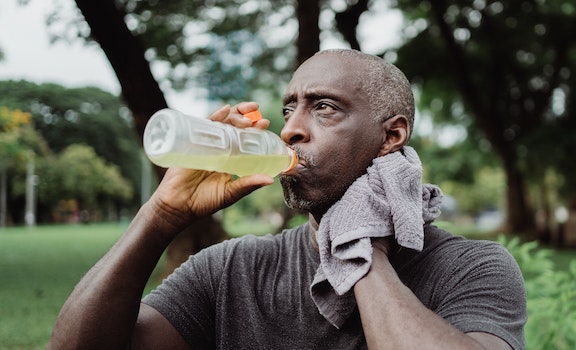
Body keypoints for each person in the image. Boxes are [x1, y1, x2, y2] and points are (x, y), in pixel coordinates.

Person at [48, 49, 527, 349]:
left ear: (391, 137)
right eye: (288, 108)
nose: (292, 128)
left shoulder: (473, 268)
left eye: (324, 108)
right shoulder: (232, 269)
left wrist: (360, 243)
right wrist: (160, 215)